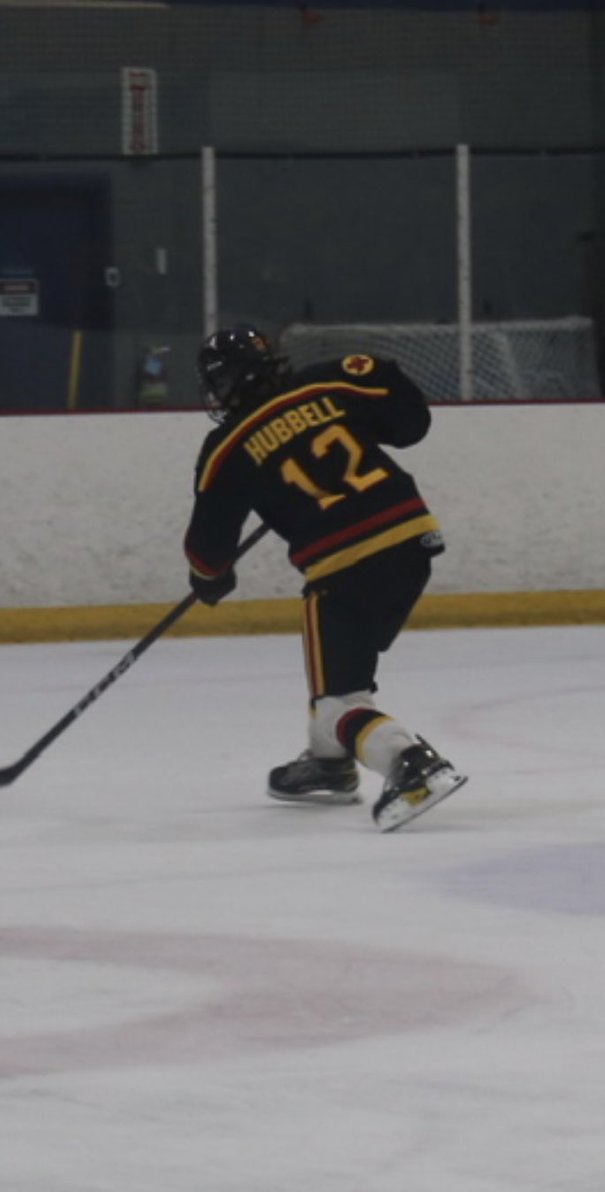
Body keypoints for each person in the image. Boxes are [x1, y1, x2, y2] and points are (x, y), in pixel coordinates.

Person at [183, 324, 467, 831]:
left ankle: (409, 762)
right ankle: (330, 764)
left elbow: (208, 552)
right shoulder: (327, 384)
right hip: (410, 542)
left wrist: (209, 580)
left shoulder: (226, 448)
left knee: (339, 699)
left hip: (343, 567)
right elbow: (409, 420)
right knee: (341, 676)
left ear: (224, 386)